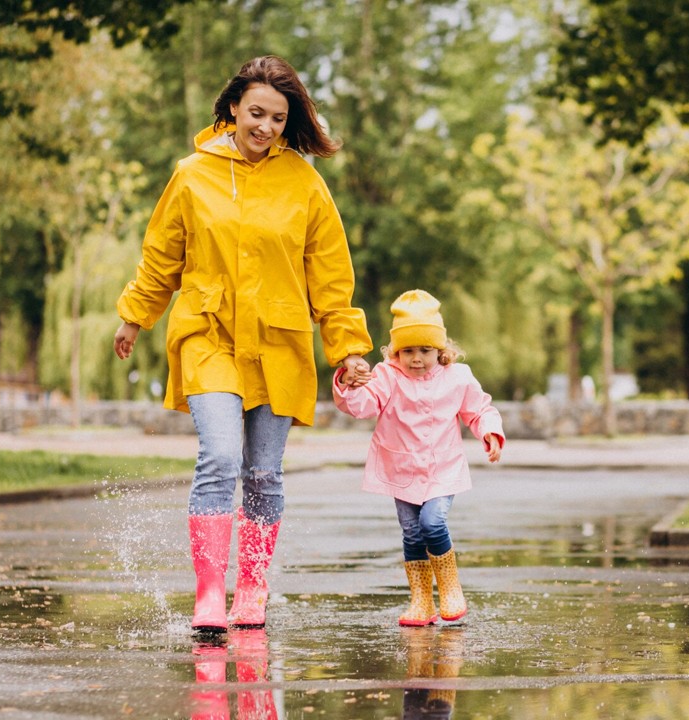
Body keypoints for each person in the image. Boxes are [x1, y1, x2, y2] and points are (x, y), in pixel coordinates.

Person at [113, 56, 372, 634]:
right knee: (222, 457)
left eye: (278, 118)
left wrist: (348, 346)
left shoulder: (304, 181)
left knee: (262, 473)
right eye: (256, 113)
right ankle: (210, 596)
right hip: (207, 334)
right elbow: (162, 254)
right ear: (232, 107)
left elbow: (329, 272)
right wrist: (135, 315)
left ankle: (251, 589)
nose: (266, 127)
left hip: (279, 341)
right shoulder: (191, 174)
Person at [333, 289, 504, 626]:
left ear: (441, 349)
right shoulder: (386, 377)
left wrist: (489, 430)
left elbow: (478, 409)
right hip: (401, 469)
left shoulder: (458, 377)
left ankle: (450, 586)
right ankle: (421, 601)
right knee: (411, 533)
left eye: (425, 350)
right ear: (395, 351)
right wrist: (348, 384)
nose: (416, 358)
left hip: (443, 468)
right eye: (407, 350)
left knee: (432, 523)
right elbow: (361, 405)